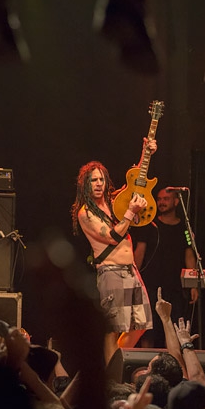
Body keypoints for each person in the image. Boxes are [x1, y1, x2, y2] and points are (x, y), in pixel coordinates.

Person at [70, 138, 157, 370]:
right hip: (111, 273)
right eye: (93, 180)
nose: (98, 184)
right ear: (85, 185)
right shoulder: (85, 213)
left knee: (140, 324)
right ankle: (110, 373)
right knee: (113, 329)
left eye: (101, 179)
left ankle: (114, 361)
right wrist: (130, 212)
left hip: (131, 271)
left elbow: (136, 185)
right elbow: (112, 236)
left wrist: (145, 153)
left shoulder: (114, 202)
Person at [132, 187, 197, 348]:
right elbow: (139, 253)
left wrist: (194, 285)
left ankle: (175, 364)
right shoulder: (149, 225)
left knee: (174, 327)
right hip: (151, 285)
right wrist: (133, 278)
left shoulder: (184, 228)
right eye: (159, 199)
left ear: (176, 201)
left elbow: (189, 255)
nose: (161, 202)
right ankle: (145, 366)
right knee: (148, 329)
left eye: (166, 199)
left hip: (175, 287)